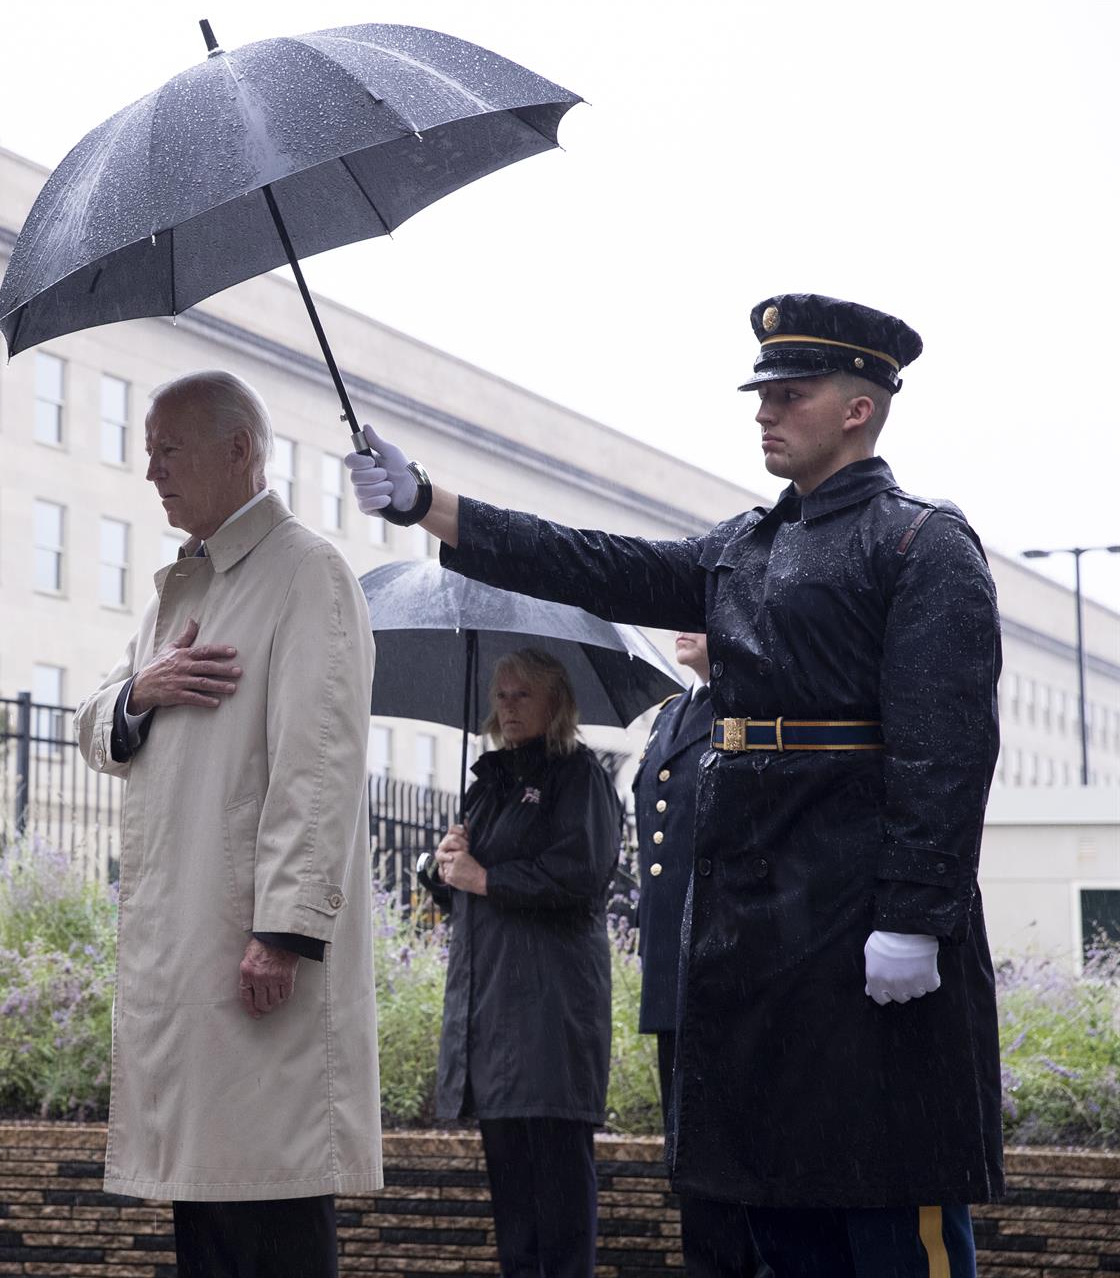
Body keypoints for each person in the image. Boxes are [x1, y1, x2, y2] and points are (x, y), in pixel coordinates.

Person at [344, 294, 1002, 1275]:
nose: (764, 410)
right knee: (777, 1210)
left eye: (791, 391)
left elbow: (944, 753)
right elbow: (596, 562)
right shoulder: (743, 546)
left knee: (884, 1206)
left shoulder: (920, 544)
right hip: (755, 937)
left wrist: (914, 913)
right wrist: (429, 502)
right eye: (763, 392)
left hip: (860, 919)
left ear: (859, 408)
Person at [76, 370, 383, 1277]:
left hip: (256, 955)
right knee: (208, 1216)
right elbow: (95, 724)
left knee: (271, 1209)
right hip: (188, 952)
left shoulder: (308, 572)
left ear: (239, 450)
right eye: (147, 450)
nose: (150, 473)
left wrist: (283, 932)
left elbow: (318, 764)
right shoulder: (182, 589)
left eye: (167, 449)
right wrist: (141, 688)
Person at [430, 648, 617, 1278]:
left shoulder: (578, 776)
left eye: (523, 696)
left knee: (558, 1195)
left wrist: (486, 877)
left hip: (550, 1016)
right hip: (494, 1019)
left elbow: (582, 876)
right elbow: (466, 890)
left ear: (556, 703)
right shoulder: (490, 783)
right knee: (513, 1205)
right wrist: (445, 867)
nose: (508, 708)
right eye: (502, 696)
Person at [632, 634, 765, 1277]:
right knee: (688, 1156)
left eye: (701, 612)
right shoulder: (672, 713)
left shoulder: (749, 706)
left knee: (735, 1157)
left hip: (726, 962)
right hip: (671, 968)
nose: (682, 626)